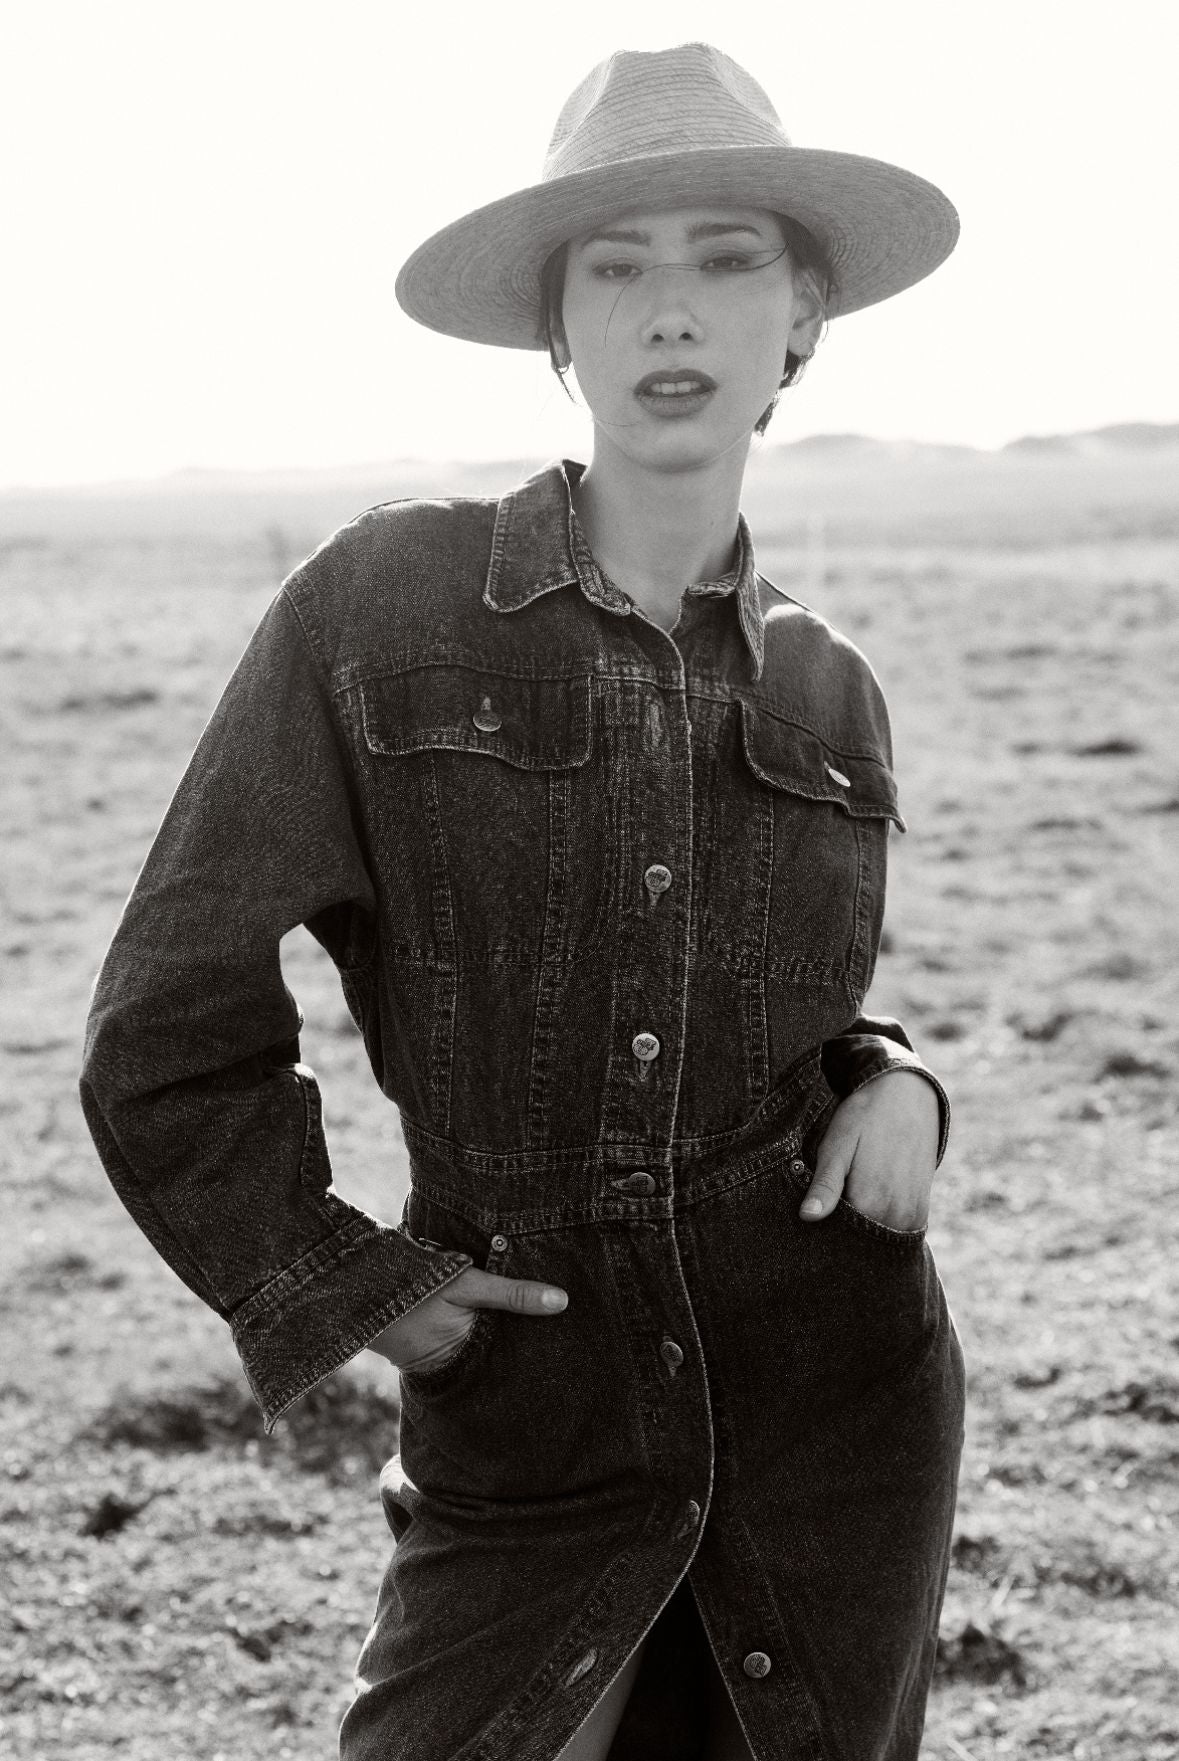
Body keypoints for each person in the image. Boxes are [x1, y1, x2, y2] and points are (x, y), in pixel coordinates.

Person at [79, 41, 966, 1761]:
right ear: (559, 331)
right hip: (531, 1422)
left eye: (727, 259)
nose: (671, 312)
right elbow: (165, 1023)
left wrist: (899, 1072)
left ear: (803, 324)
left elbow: (784, 1022)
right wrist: (343, 1278)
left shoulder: (830, 690)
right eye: (616, 266)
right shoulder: (381, 607)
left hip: (836, 1426)